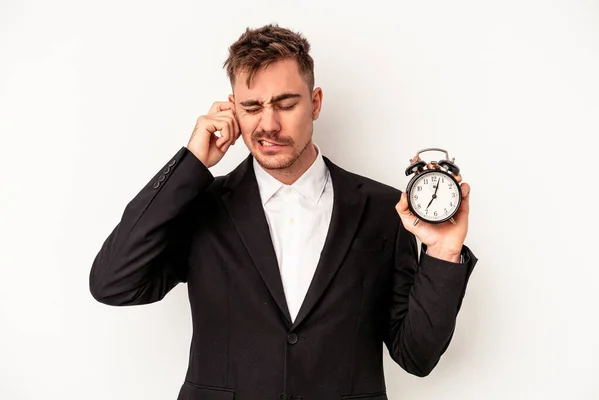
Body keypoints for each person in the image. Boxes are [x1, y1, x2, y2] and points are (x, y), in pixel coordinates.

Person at [89, 23, 478, 400]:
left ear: (316, 103)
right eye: (252, 107)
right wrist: (191, 163)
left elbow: (417, 356)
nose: (268, 124)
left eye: (285, 103)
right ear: (233, 112)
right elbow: (113, 283)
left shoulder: (383, 209)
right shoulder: (199, 205)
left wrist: (443, 253)